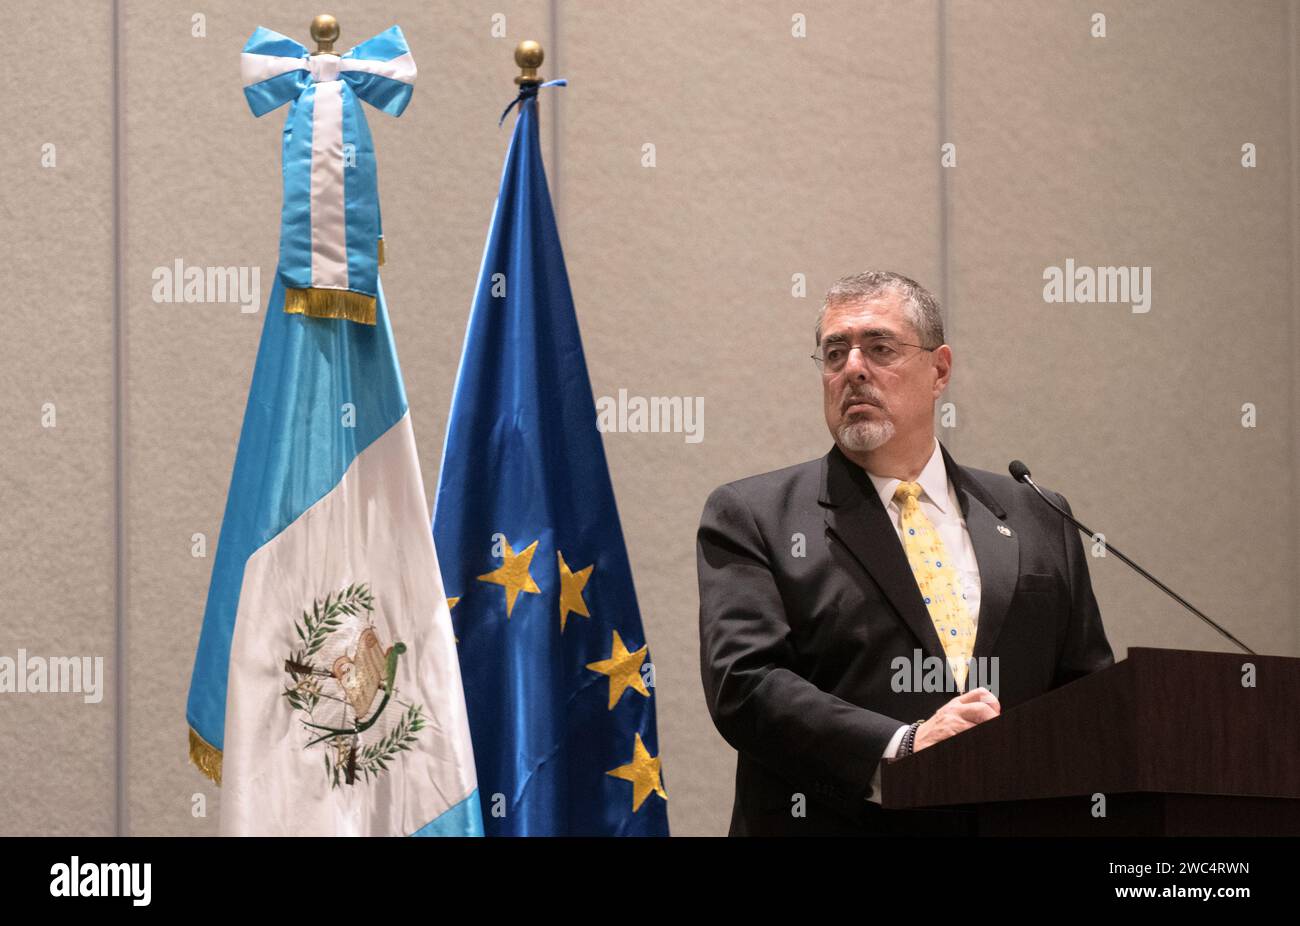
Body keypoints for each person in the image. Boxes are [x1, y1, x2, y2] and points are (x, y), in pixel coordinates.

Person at [696, 271, 1114, 835]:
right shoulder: (754, 515)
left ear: (939, 370)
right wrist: (903, 747)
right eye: (834, 352)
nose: (853, 369)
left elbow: (1088, 696)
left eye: (880, 348)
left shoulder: (1038, 514)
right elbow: (746, 685)